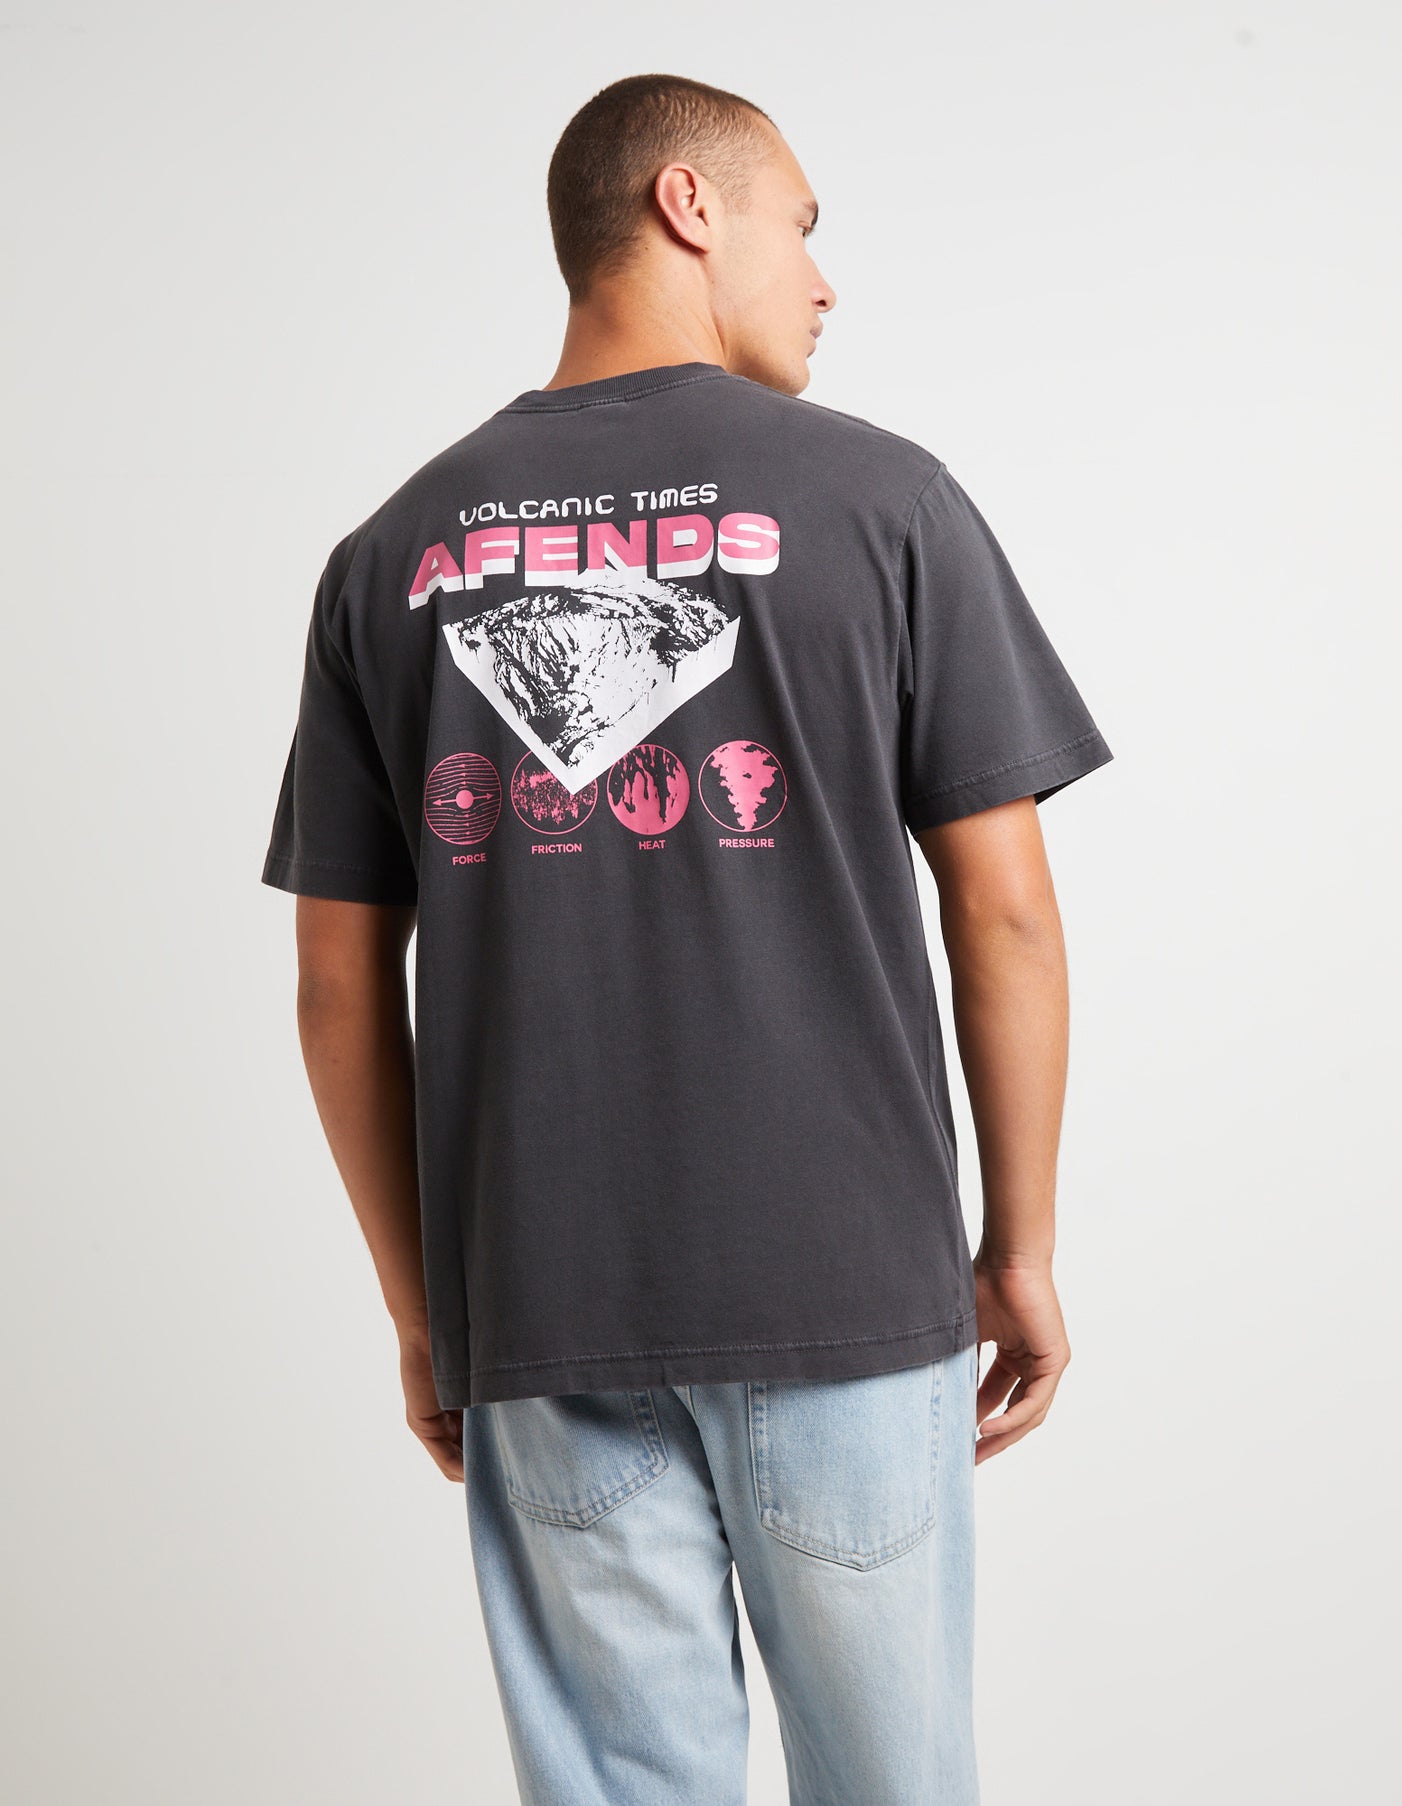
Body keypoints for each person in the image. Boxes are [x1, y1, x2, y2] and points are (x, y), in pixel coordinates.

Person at [261, 70, 1113, 1806]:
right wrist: (1017, 1246)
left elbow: (339, 980)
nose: (823, 279)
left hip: (541, 1298)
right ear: (687, 203)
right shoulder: (882, 502)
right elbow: (1006, 903)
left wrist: (428, 1312)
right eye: (801, 225)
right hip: (843, 1288)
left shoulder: (390, 549)